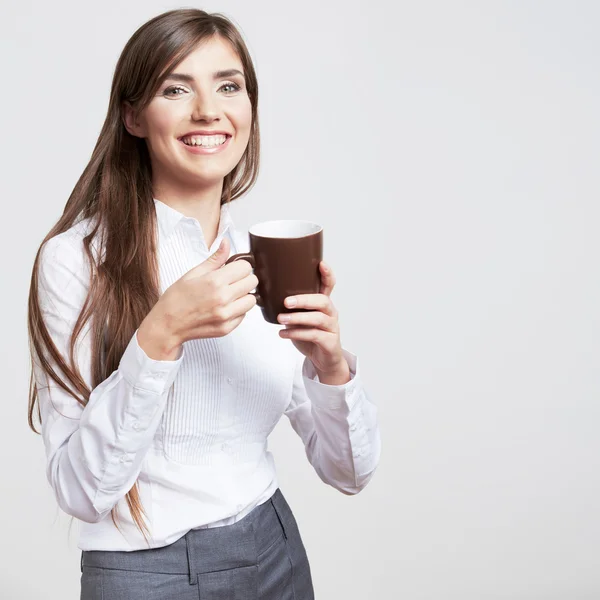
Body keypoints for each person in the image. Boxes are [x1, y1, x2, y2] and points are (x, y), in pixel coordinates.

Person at [26, 8, 381, 599]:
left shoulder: (261, 258)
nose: (208, 111)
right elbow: (81, 492)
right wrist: (159, 336)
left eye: (228, 85)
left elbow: (349, 473)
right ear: (133, 115)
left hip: (274, 554)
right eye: (175, 88)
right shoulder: (75, 259)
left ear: (249, 107)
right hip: (144, 573)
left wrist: (331, 368)